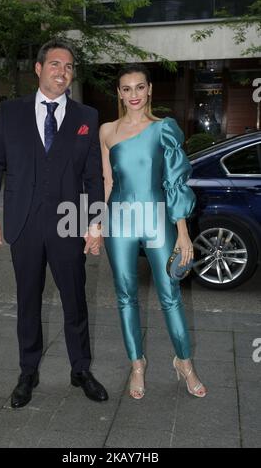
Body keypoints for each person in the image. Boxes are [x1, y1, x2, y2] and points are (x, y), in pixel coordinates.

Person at [0, 39, 108, 408]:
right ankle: (28, 371)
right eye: (55, 64)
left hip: (70, 225)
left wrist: (95, 224)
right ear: (38, 69)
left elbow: (93, 178)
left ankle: (80, 369)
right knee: (28, 302)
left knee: (75, 302)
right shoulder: (10, 112)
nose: (62, 72)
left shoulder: (86, 117)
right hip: (24, 225)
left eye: (68, 67)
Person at [100, 64, 207, 400]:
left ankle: (184, 363)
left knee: (170, 294)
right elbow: (108, 181)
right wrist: (98, 222)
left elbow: (174, 182)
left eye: (139, 87)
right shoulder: (106, 131)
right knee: (125, 295)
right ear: (119, 93)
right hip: (119, 220)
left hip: (158, 218)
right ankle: (137, 364)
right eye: (126, 88)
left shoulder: (165, 128)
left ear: (149, 90)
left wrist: (184, 233)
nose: (134, 94)